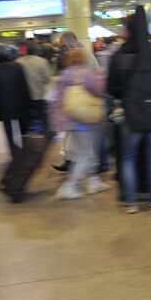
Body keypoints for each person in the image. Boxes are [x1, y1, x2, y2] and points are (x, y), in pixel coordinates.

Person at [108, 6, 151, 214]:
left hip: (130, 115)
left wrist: (125, 98)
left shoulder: (119, 57)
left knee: (128, 157)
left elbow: (111, 88)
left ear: (127, 31)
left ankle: (130, 202)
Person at [52, 48, 109, 199]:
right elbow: (99, 91)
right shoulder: (85, 73)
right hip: (84, 120)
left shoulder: (63, 75)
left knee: (85, 153)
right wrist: (100, 77)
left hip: (70, 121)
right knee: (86, 155)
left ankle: (92, 182)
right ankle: (68, 186)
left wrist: (60, 121)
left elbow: (57, 100)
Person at [0, 44, 32, 155]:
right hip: (19, 101)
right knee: (21, 124)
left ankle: (12, 149)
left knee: (7, 127)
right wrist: (27, 100)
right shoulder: (17, 66)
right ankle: (24, 146)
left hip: (2, 103)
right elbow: (24, 85)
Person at [17, 40, 51, 133]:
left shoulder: (18, 62)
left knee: (27, 116)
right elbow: (47, 79)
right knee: (43, 115)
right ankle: (46, 132)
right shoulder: (42, 61)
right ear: (36, 49)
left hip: (24, 96)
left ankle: (28, 134)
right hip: (39, 94)